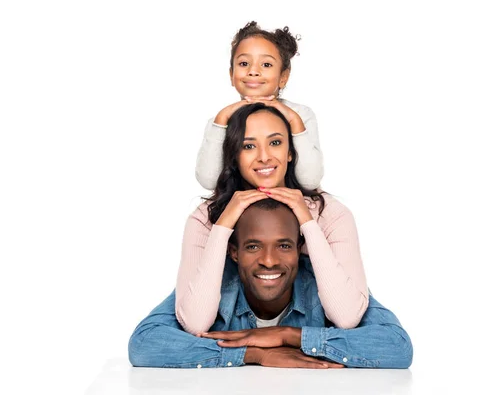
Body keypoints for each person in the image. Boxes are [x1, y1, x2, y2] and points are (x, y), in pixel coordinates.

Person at [129, 199, 413, 369]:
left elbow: (396, 346)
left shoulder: (327, 283)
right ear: (234, 252)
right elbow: (144, 343)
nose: (268, 260)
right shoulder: (211, 282)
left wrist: (289, 336)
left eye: (283, 246)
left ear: (300, 248)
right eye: (253, 247)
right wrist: (253, 355)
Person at [176, 103, 368, 334]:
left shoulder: (331, 215)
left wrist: (307, 222)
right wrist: (223, 225)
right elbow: (195, 324)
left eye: (275, 143)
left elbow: (347, 317)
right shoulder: (205, 219)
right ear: (234, 157)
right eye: (248, 146)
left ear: (290, 151)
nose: (264, 157)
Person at [195, 21, 323, 191]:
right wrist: (221, 120)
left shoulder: (300, 114)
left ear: (283, 77)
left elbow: (310, 181)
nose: (253, 71)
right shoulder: (220, 121)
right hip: (243, 207)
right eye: (243, 63)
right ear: (231, 74)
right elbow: (208, 181)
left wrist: (294, 121)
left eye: (266, 64)